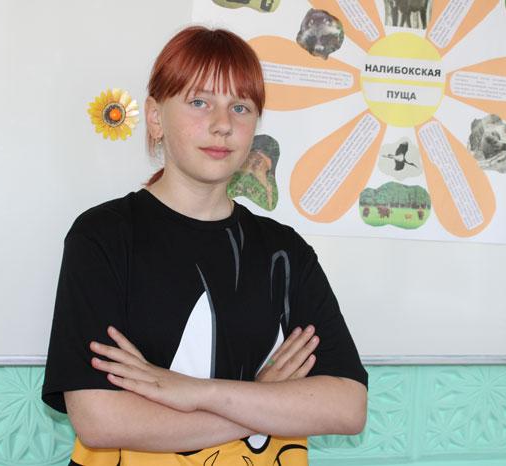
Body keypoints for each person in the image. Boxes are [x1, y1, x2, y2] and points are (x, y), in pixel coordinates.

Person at [42, 25, 368, 466]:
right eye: (199, 102)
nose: (222, 125)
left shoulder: (285, 253)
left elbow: (347, 406)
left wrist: (197, 392)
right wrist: (261, 401)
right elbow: (100, 420)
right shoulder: (103, 237)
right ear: (155, 117)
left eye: (241, 107)